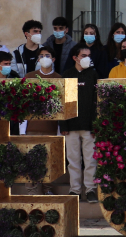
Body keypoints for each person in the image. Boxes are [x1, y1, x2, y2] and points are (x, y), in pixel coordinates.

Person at [61, 45, 99, 203]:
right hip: (70, 126)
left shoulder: (93, 74)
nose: (87, 58)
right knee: (73, 159)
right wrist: (63, 125)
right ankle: (75, 190)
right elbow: (62, 101)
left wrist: (95, 125)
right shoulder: (67, 74)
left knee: (90, 160)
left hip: (89, 126)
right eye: (83, 55)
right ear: (75, 58)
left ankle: (90, 189)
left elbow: (96, 102)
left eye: (89, 55)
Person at [25, 46, 62, 137]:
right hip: (31, 127)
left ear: (53, 59)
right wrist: (22, 129)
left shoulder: (59, 78)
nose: (44, 58)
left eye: (47, 56)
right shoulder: (29, 76)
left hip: (51, 128)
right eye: (41, 56)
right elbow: (24, 101)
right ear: (38, 60)